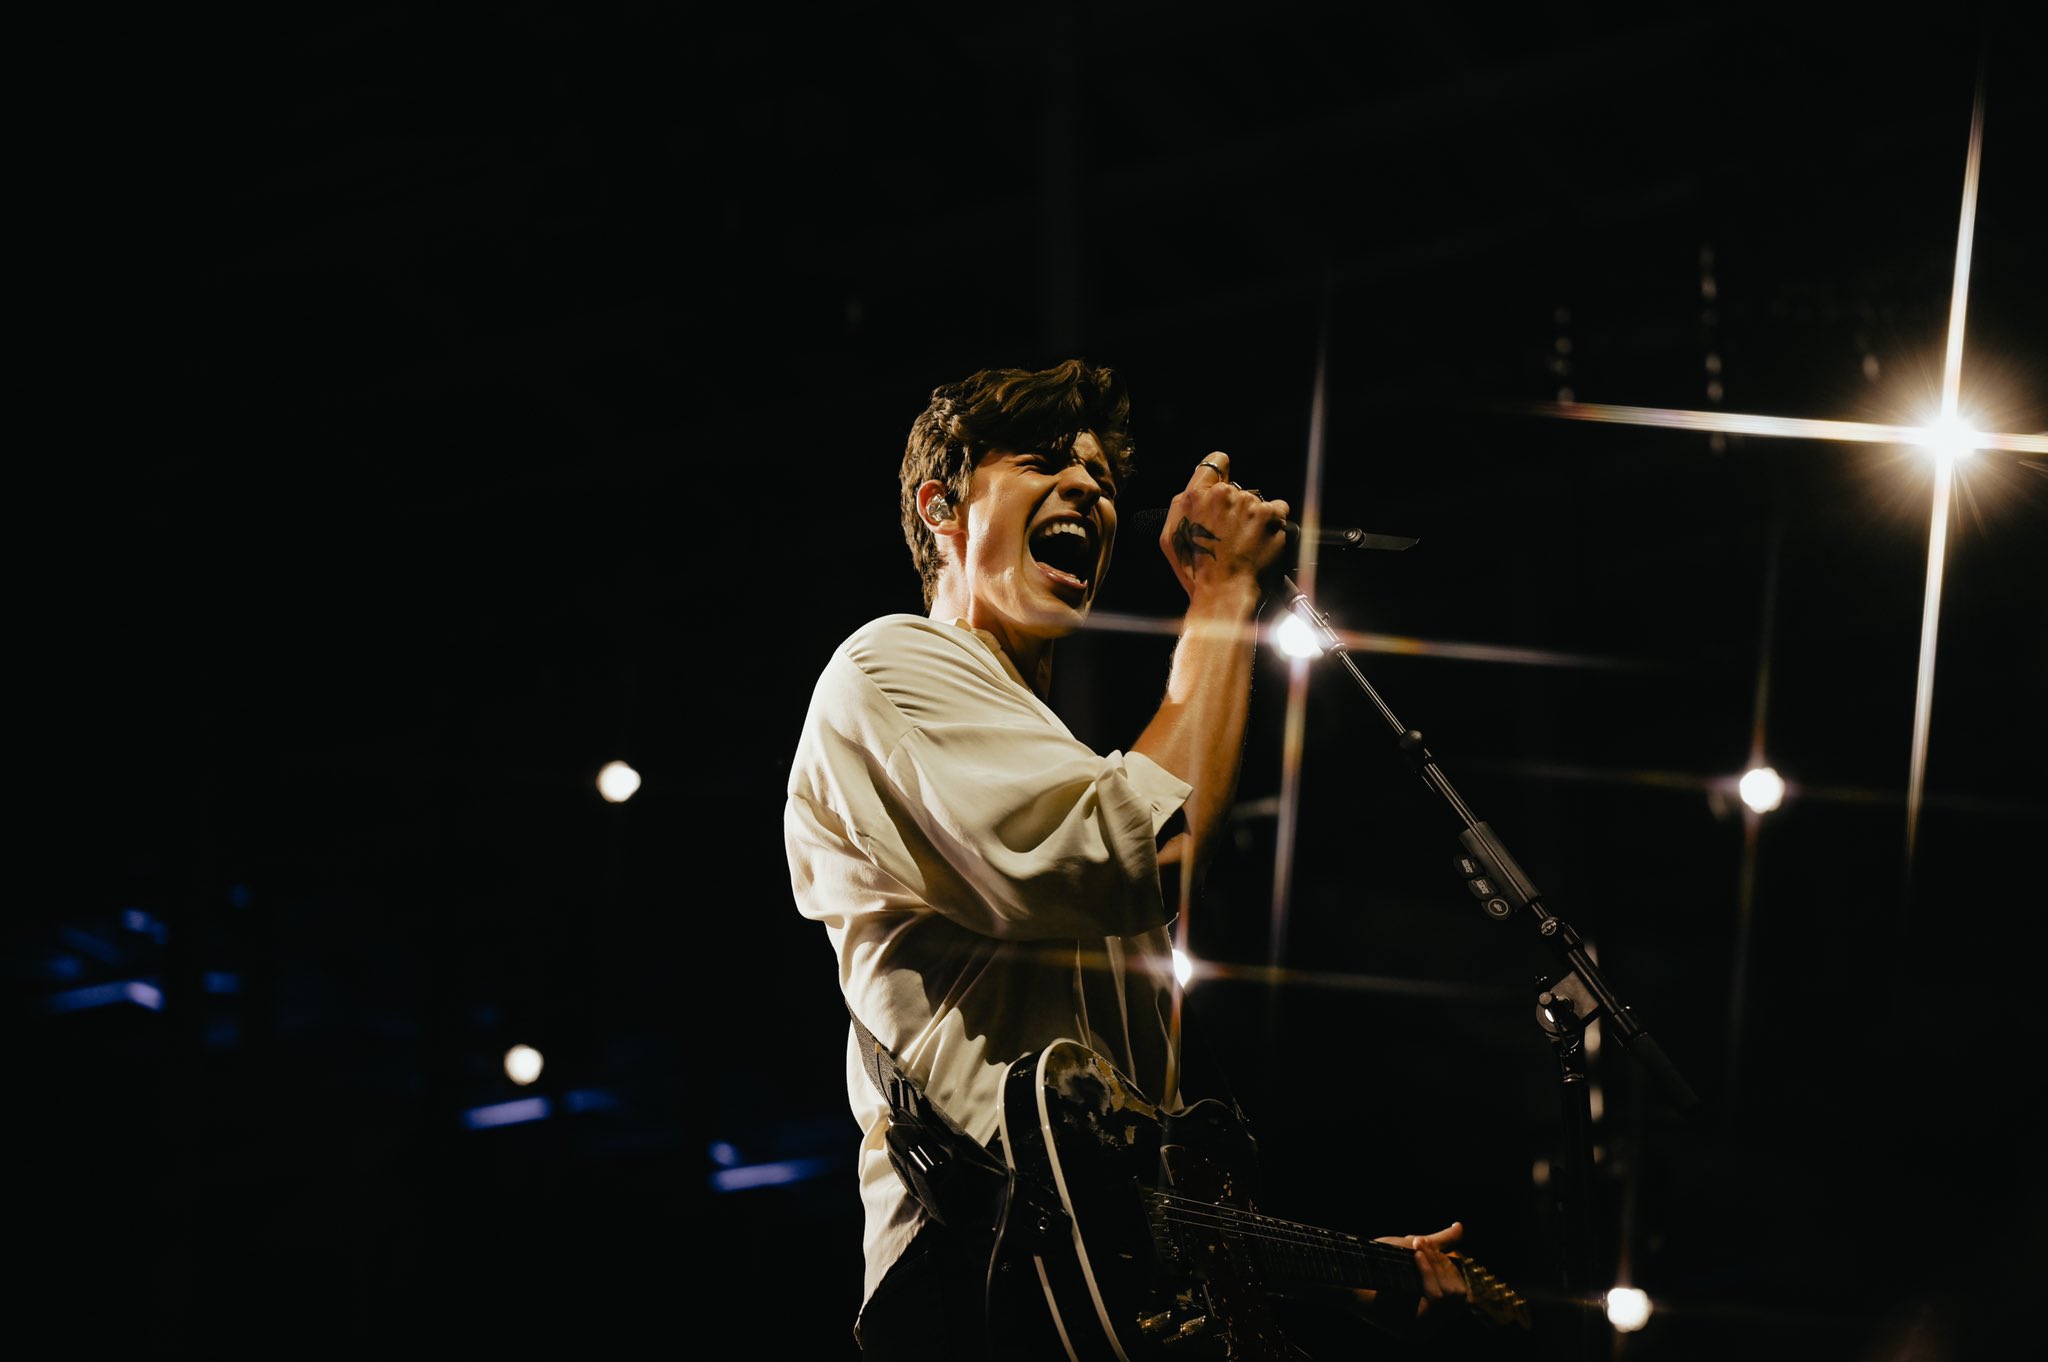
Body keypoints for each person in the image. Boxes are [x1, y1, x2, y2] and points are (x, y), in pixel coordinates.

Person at [785, 359, 1479, 1360]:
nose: (1088, 489)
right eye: (1041, 463)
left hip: (1075, 1282)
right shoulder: (888, 666)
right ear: (940, 507)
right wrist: (1225, 595)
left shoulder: (1049, 754)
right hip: (977, 1273)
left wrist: (1349, 1272)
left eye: (1101, 478)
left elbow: (1130, 1175)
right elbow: (1144, 853)